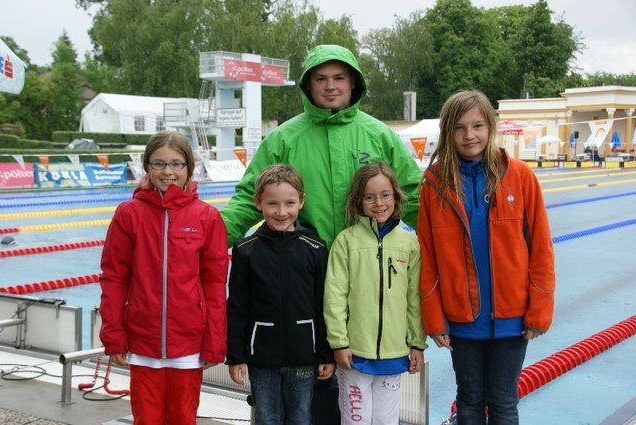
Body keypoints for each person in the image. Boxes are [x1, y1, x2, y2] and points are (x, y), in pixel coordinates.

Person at [417, 90, 556, 424]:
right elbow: (427, 258)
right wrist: (434, 319)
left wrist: (540, 308)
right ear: (447, 131)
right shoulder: (434, 184)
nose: (470, 135)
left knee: (505, 402)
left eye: (478, 125)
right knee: (468, 402)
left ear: (490, 127)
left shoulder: (520, 176)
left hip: (512, 318)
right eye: (460, 127)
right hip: (462, 321)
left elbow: (541, 247)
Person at [220, 44, 422, 249]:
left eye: (339, 78)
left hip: (368, 267)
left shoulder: (380, 135)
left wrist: (443, 242)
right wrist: (207, 237)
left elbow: (414, 198)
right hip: (305, 268)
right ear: (308, 84)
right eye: (320, 79)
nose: (330, 86)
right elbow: (248, 199)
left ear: (353, 82)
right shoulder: (282, 139)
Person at [99, 131, 229, 425]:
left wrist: (214, 341)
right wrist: (113, 333)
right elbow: (114, 278)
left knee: (184, 417)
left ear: (189, 169)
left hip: (189, 342)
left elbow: (215, 285)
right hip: (142, 340)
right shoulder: (128, 214)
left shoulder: (206, 217)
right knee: (146, 419)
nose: (168, 172)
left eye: (176, 164)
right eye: (158, 164)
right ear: (146, 167)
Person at [226, 164, 334, 425]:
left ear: (301, 201)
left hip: (304, 357)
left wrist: (326, 354)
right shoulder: (246, 250)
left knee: (301, 418)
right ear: (258, 202)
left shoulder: (315, 247)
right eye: (273, 203)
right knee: (267, 418)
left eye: (289, 203)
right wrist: (236, 356)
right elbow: (237, 306)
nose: (282, 212)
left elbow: (323, 305)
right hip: (261, 358)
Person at [324, 161, 427, 424]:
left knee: (386, 420)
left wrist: (417, 343)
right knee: (356, 420)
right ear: (358, 201)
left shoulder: (409, 243)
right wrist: (339, 342)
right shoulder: (346, 241)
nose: (379, 203)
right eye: (369, 197)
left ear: (395, 196)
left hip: (394, 353)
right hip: (354, 353)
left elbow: (414, 298)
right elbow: (334, 296)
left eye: (385, 195)